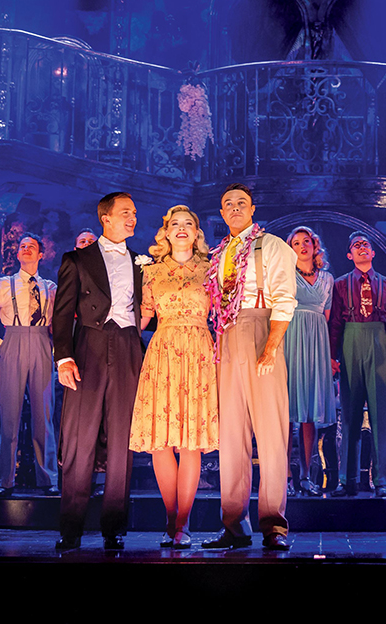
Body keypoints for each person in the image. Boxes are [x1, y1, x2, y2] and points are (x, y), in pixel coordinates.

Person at [202, 183, 297, 551]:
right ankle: (233, 524)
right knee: (231, 434)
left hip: (260, 328)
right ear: (223, 214)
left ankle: (274, 524)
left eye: (242, 203)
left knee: (271, 433)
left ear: (252, 209)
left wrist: (271, 346)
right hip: (227, 333)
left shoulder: (271, 245)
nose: (235, 208)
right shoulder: (219, 252)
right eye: (228, 204)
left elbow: (284, 297)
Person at [53, 192, 144, 551]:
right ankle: (71, 526)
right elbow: (61, 314)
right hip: (88, 346)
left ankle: (114, 527)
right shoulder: (76, 260)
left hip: (127, 346)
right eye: (126, 212)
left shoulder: (142, 262)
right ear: (105, 217)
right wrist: (64, 358)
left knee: (122, 438)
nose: (132, 218)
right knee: (80, 436)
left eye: (135, 213)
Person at [129, 205, 218, 547]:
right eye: (174, 224)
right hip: (162, 351)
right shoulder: (150, 271)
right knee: (161, 441)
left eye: (189, 224)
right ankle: (170, 519)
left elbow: (221, 316)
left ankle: (183, 523)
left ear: (197, 233)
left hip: (198, 352)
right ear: (165, 232)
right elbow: (142, 316)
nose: (181, 228)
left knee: (190, 441)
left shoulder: (211, 269)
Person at [0, 233, 58, 496]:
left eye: (31, 246)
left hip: (41, 342)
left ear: (40, 254)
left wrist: (55, 349)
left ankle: (48, 479)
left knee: (43, 415)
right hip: (13, 339)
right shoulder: (4, 284)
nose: (25, 250)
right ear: (17, 254)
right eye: (22, 247)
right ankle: (6, 481)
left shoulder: (50, 287)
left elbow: (59, 324)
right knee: (9, 416)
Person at [328, 231, 386, 498]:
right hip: (350, 340)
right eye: (356, 246)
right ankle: (346, 480)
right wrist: (332, 356)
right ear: (349, 254)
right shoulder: (340, 285)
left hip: (378, 341)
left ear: (373, 253)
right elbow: (334, 323)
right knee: (349, 414)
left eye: (366, 245)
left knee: (380, 415)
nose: (362, 249)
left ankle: (381, 480)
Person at [285, 226, 336, 497]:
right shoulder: (285, 275)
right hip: (290, 340)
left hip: (315, 342)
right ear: (290, 248)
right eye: (296, 242)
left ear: (315, 246)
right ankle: (285, 477)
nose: (302, 246)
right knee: (286, 415)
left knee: (309, 415)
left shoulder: (327, 279)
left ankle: (305, 476)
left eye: (307, 241)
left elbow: (326, 317)